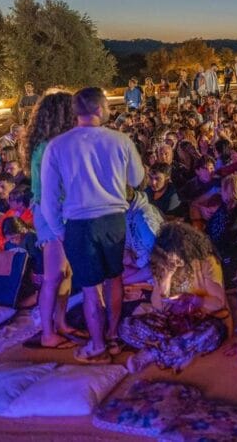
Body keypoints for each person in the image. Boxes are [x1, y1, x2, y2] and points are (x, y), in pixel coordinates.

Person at [40, 87, 146, 363]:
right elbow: (136, 179)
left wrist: (59, 231)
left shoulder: (57, 145)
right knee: (114, 279)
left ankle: (97, 345)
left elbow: (48, 198)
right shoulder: (120, 140)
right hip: (113, 219)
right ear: (100, 108)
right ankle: (111, 335)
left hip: (79, 224)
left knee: (90, 288)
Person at [122, 222, 231, 373]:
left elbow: (218, 303)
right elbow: (158, 307)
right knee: (127, 327)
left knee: (212, 332)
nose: (170, 256)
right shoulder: (164, 264)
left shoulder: (207, 262)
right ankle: (173, 349)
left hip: (201, 320)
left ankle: (153, 353)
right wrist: (167, 276)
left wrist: (193, 299)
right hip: (170, 323)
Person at [23, 91, 82, 349]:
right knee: (54, 274)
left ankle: (61, 322)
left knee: (65, 272)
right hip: (51, 213)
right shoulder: (48, 147)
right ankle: (47, 333)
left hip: (58, 210)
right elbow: (50, 191)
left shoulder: (49, 144)